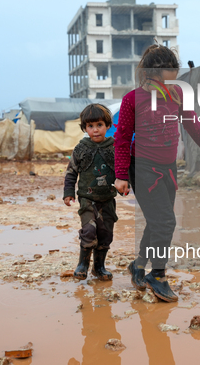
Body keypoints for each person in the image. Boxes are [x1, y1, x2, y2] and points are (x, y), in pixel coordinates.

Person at [114, 44, 200, 302]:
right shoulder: (133, 99)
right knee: (166, 222)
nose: (176, 73)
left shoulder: (177, 96)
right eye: (172, 69)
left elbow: (191, 121)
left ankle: (138, 265)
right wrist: (121, 175)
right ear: (157, 71)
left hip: (167, 168)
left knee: (157, 221)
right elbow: (122, 138)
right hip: (143, 168)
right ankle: (157, 275)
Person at [64, 103, 118, 281]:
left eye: (100, 125)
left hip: (108, 199)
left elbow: (122, 170)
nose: (95, 130)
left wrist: (125, 185)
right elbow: (71, 171)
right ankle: (83, 264)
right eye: (91, 126)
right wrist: (68, 192)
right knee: (89, 231)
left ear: (108, 125)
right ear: (85, 128)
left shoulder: (114, 147)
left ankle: (99, 267)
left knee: (105, 234)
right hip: (87, 198)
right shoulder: (81, 148)